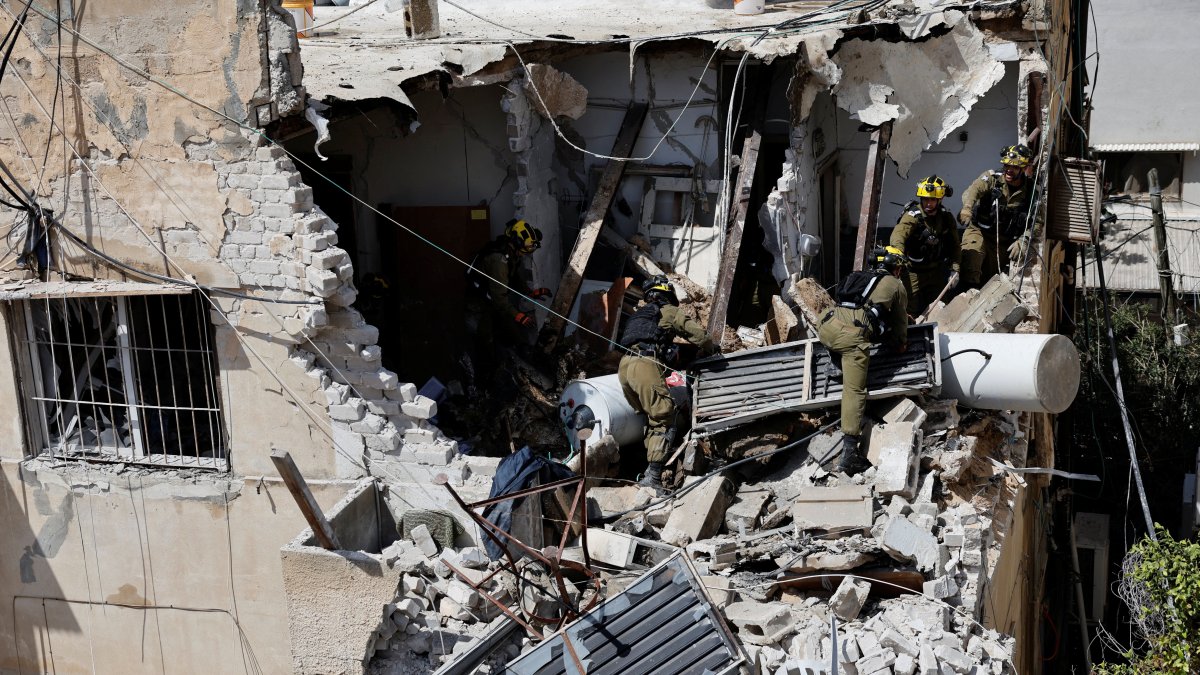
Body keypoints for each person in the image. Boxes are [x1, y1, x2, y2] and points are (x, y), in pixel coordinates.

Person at [617, 275, 716, 490]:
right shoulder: (667, 311)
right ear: (666, 293)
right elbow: (699, 336)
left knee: (652, 418)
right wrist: (713, 349)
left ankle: (647, 471)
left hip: (624, 368)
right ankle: (653, 479)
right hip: (644, 364)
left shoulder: (639, 317)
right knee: (664, 417)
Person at [817, 246, 910, 475]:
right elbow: (899, 324)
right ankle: (849, 453)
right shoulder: (895, 285)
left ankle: (834, 359)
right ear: (895, 268)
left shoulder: (859, 276)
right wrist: (900, 344)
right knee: (854, 390)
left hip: (826, 327)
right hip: (850, 338)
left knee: (848, 334)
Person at [464, 219, 551, 386]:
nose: (527, 252)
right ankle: (485, 382)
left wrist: (530, 292)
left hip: (494, 301)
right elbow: (499, 299)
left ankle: (516, 368)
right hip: (480, 306)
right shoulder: (499, 261)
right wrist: (518, 316)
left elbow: (514, 277)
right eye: (527, 248)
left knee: (513, 335)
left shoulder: (511, 253)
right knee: (485, 341)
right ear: (517, 242)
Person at [958, 144, 1039, 288]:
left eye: (1014, 167)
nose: (1009, 170)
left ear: (1024, 168)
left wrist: (1024, 239)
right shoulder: (992, 179)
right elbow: (974, 190)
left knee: (991, 280)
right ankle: (964, 299)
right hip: (979, 232)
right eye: (1007, 165)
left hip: (1003, 242)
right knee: (972, 261)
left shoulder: (1032, 190)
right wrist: (967, 208)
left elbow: (1038, 220)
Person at [889, 175, 961, 313]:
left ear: (940, 199)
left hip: (936, 271)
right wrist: (898, 255)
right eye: (925, 199)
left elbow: (955, 246)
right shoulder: (913, 216)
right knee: (907, 309)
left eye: (932, 199)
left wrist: (955, 269)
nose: (928, 203)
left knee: (940, 308)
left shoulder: (946, 218)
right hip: (912, 271)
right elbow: (898, 235)